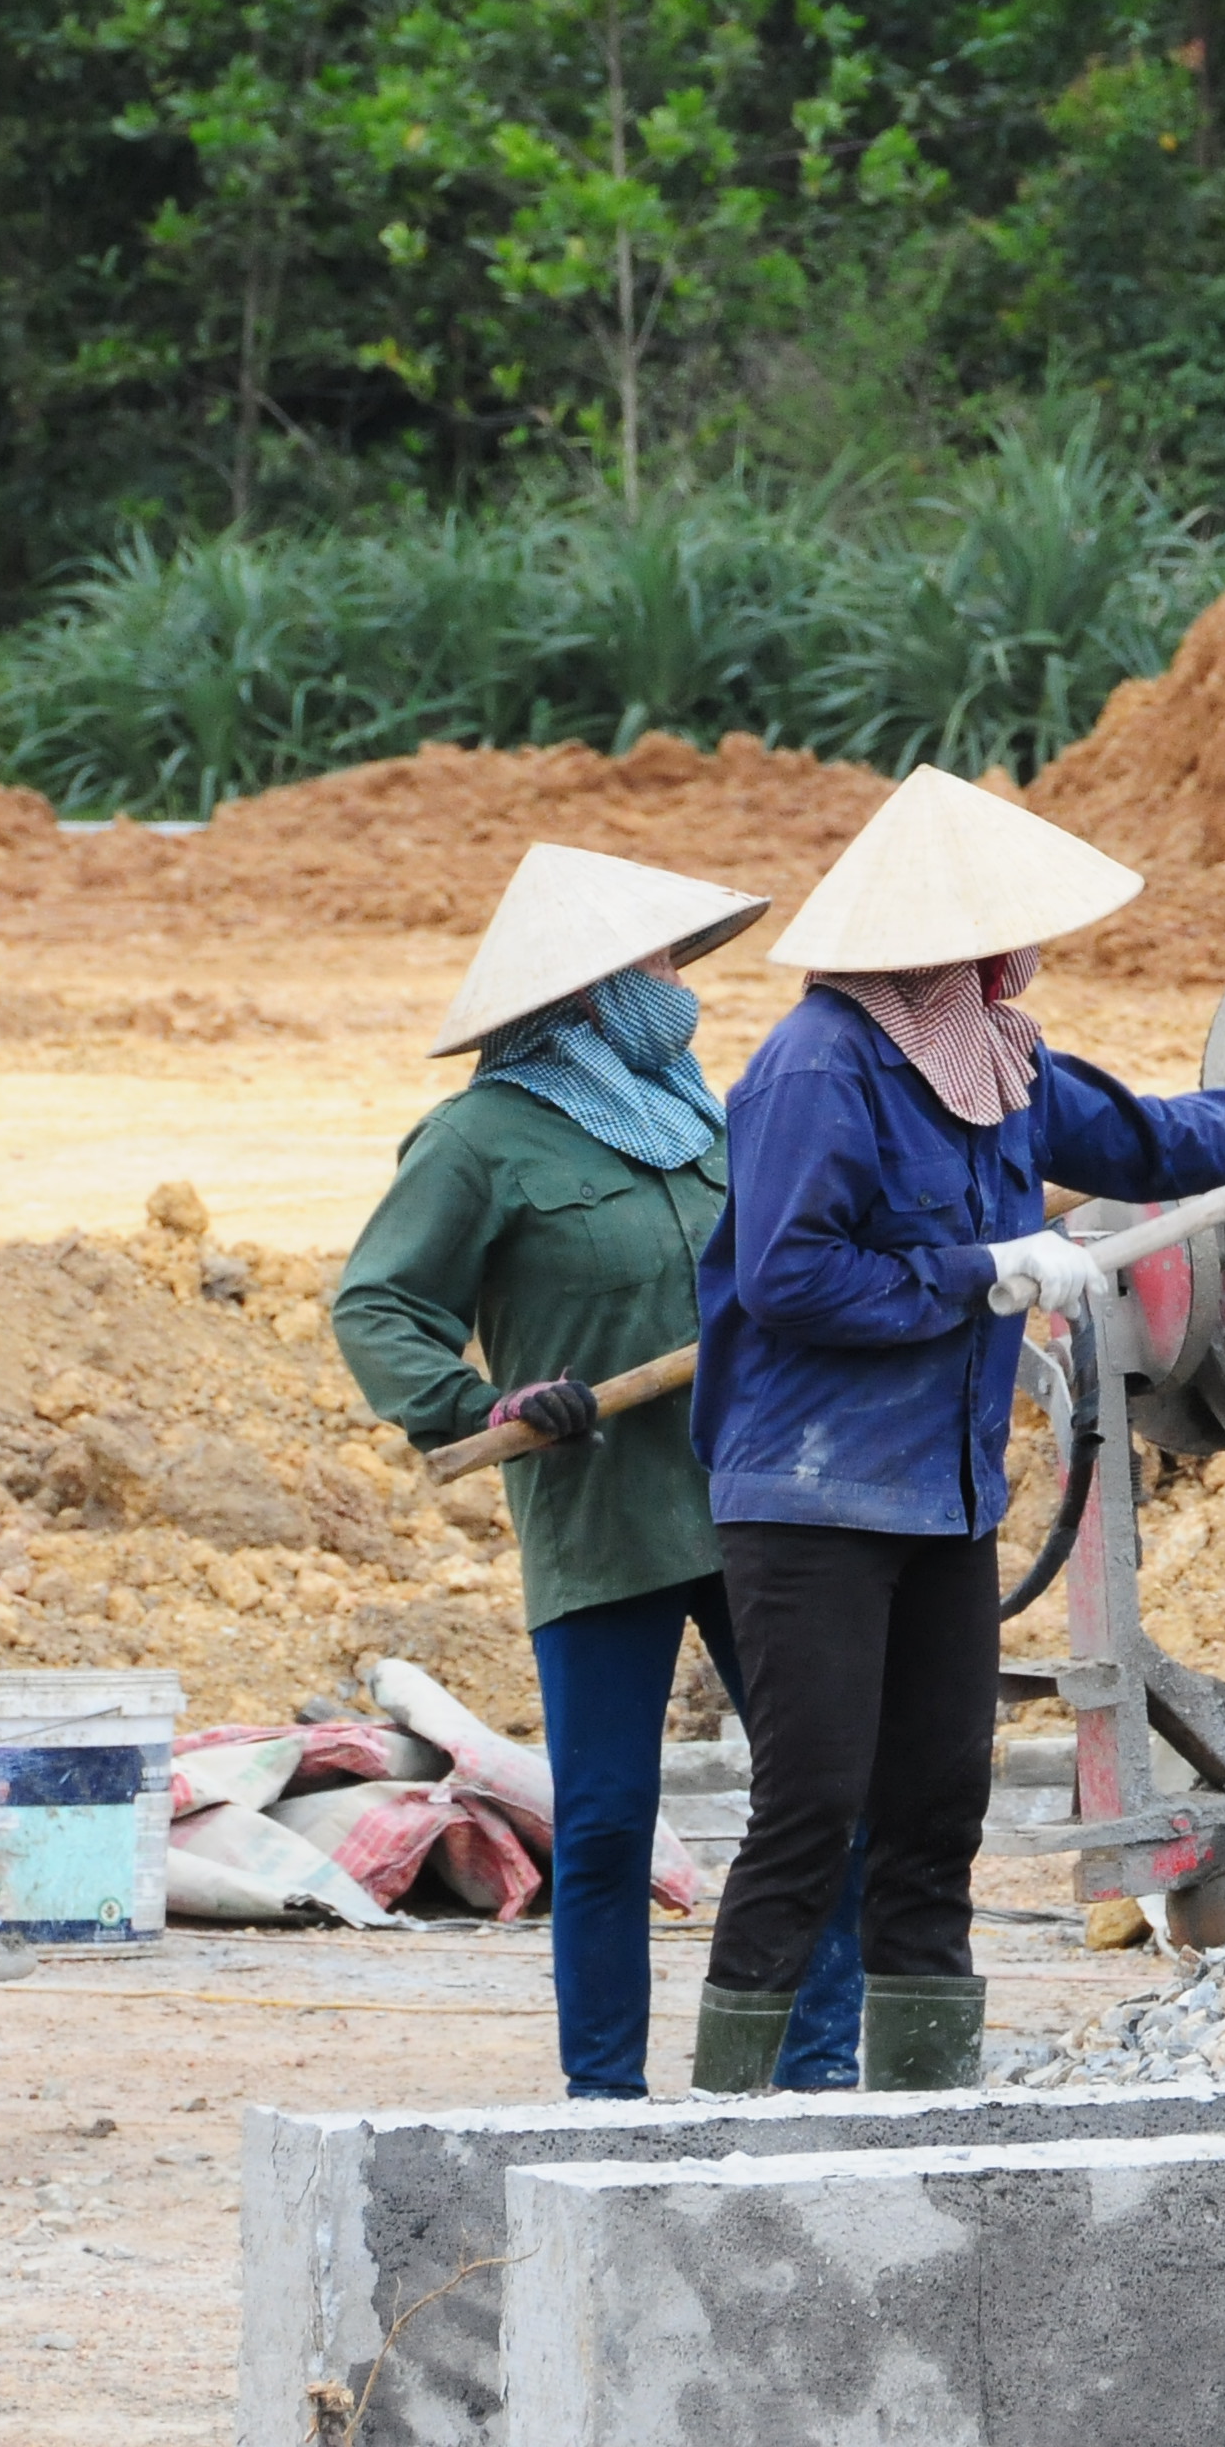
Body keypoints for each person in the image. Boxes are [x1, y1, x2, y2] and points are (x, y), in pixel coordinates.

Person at [686, 766, 1225, 2095]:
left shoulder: (999, 1057)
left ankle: (923, 2099)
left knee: (940, 1802)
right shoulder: (818, 1069)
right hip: (815, 1494)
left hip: (940, 1496)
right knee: (813, 1805)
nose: (1030, 955)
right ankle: (727, 2111)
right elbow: (787, 1276)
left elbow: (1155, 1141)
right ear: (953, 940)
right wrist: (979, 1273)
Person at [332, 844, 866, 2100]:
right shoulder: (479, 1139)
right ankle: (606, 2095)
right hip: (602, 1515)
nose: (678, 985)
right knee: (611, 1819)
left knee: (820, 1790)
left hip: (760, 1501)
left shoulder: (698, 1110)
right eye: (659, 962)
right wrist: (479, 1405)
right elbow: (379, 1303)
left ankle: (814, 2066)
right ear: (586, 989)